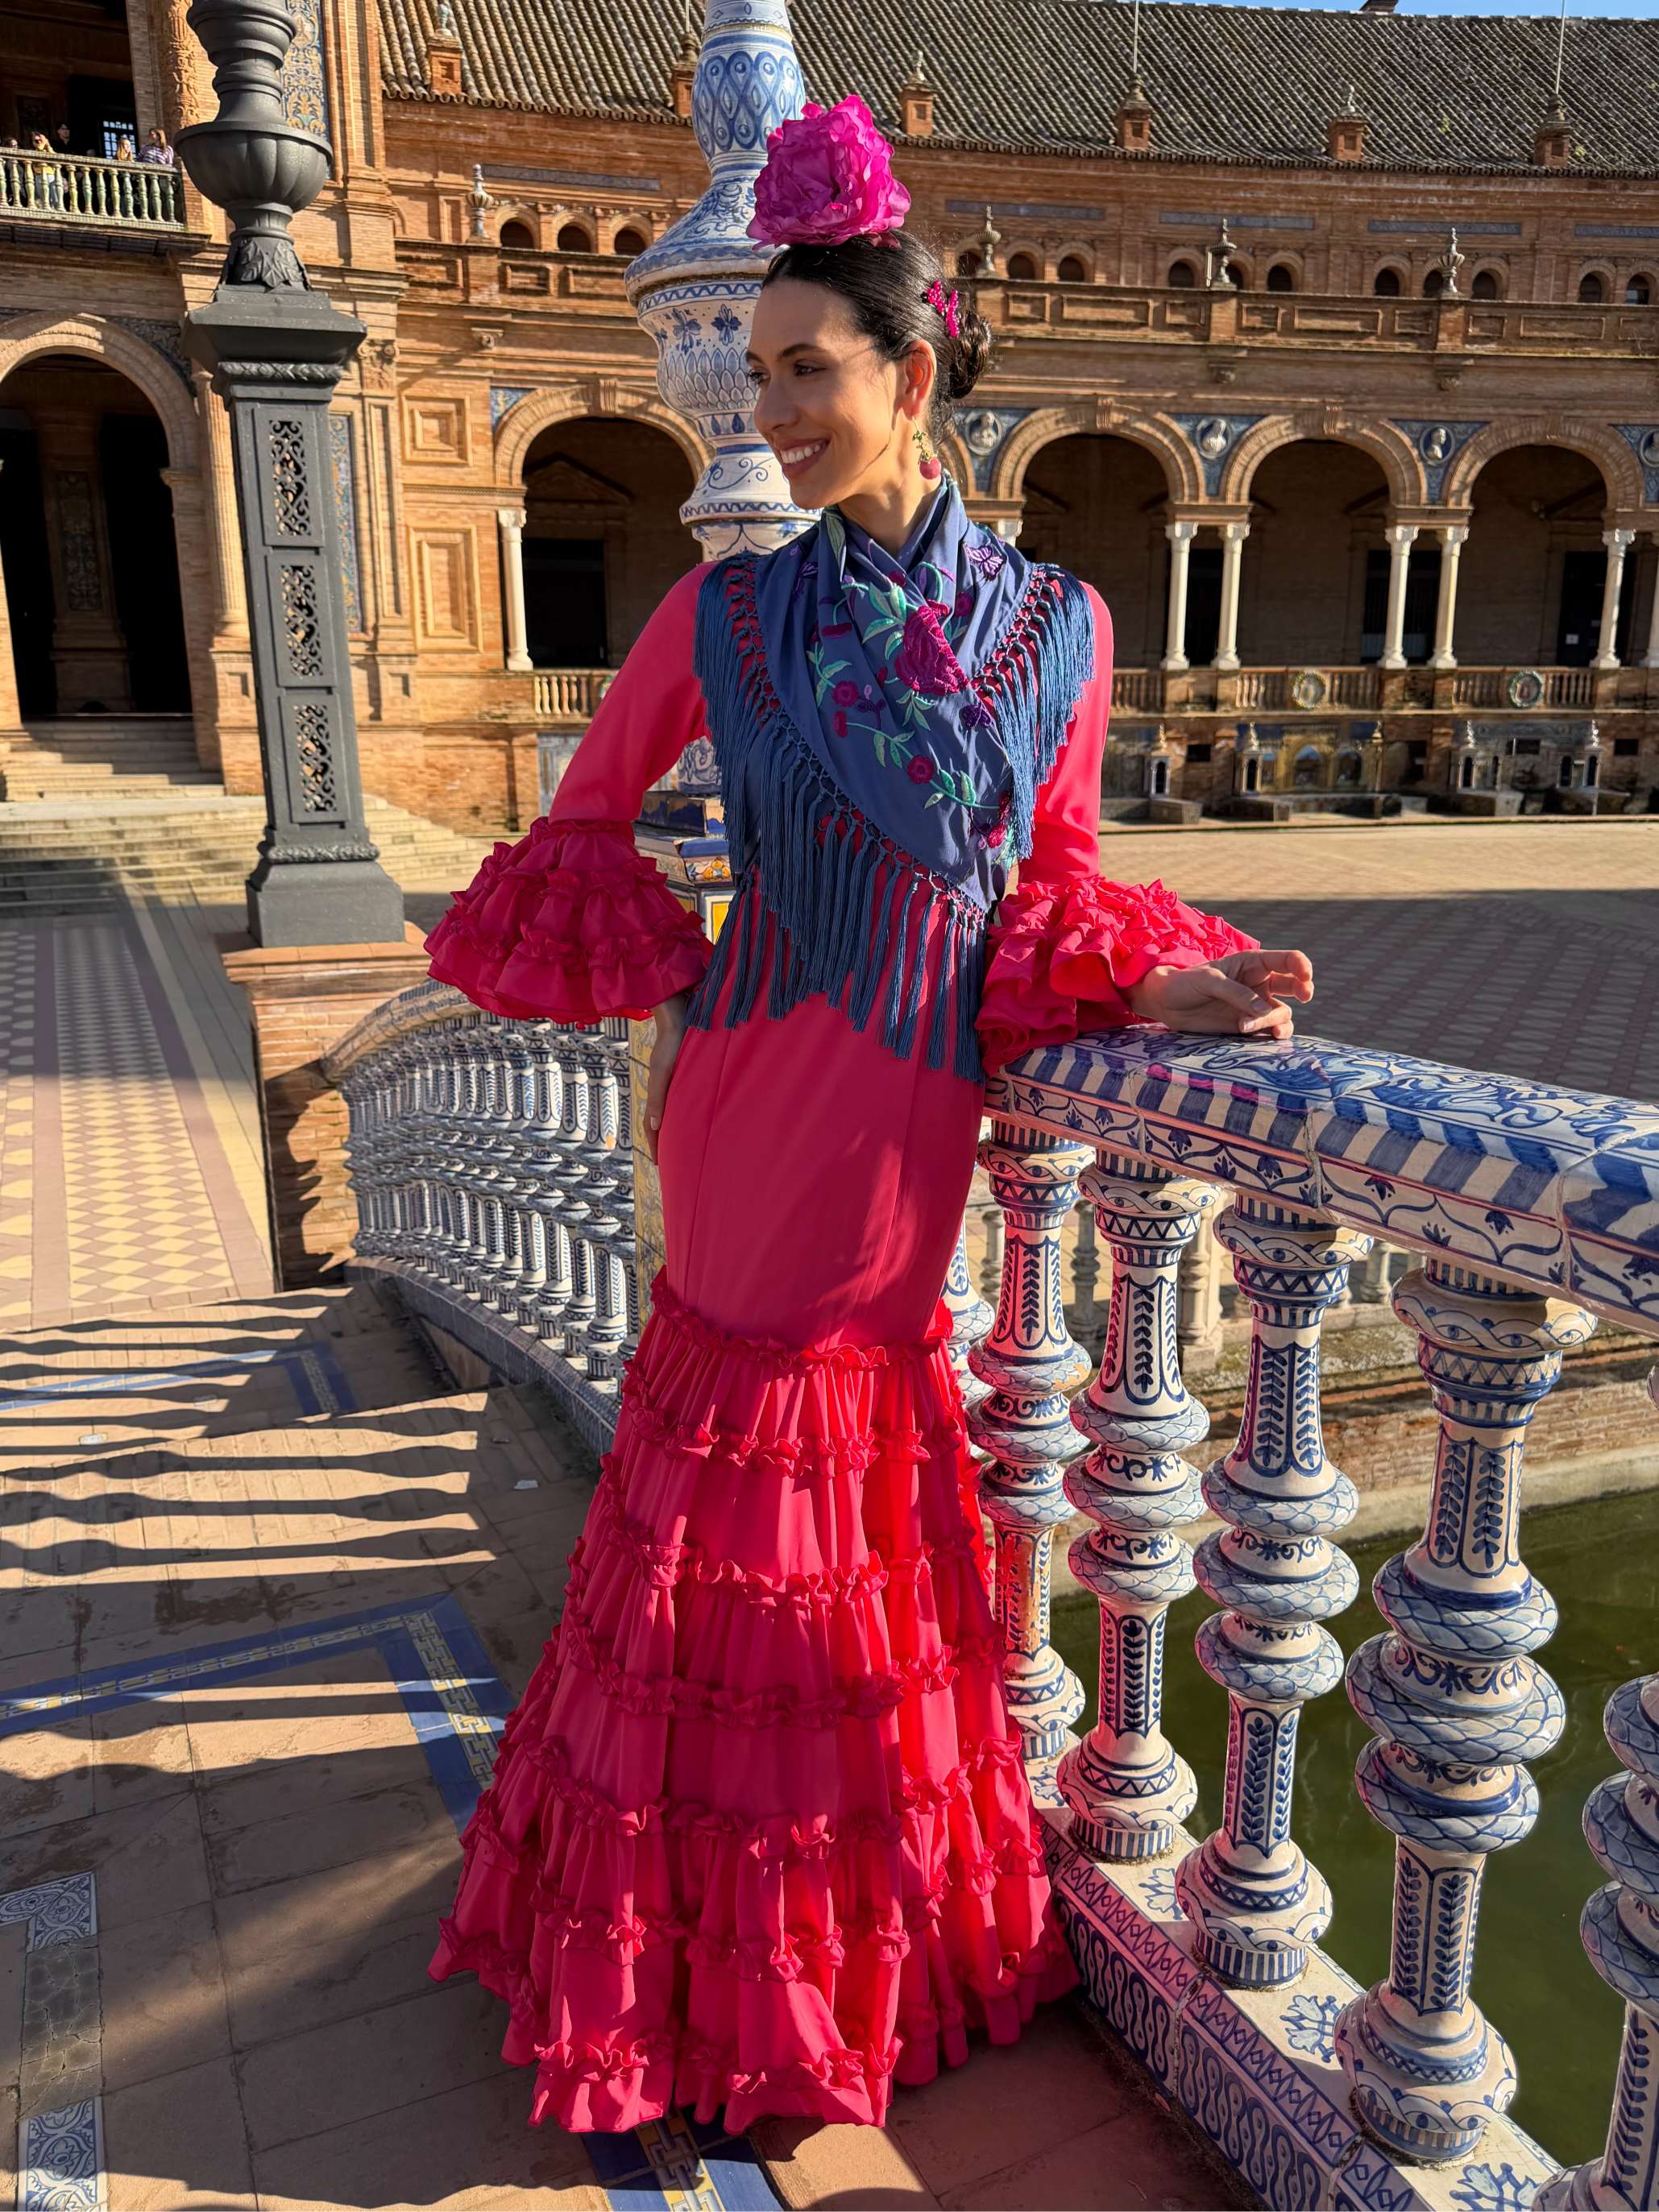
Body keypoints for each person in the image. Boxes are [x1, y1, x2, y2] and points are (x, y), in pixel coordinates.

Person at [425, 94, 1313, 2137]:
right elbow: (574, 831)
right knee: (742, 1541)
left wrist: (1165, 985)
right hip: (753, 1122)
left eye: (806, 374)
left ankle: (844, 1950)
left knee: (860, 1556)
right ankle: (692, 1981)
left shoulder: (1066, 633)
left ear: (912, 378)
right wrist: (705, 963)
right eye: (756, 379)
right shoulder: (725, 614)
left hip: (915, 1133)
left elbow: (1058, 884)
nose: (774, 417)